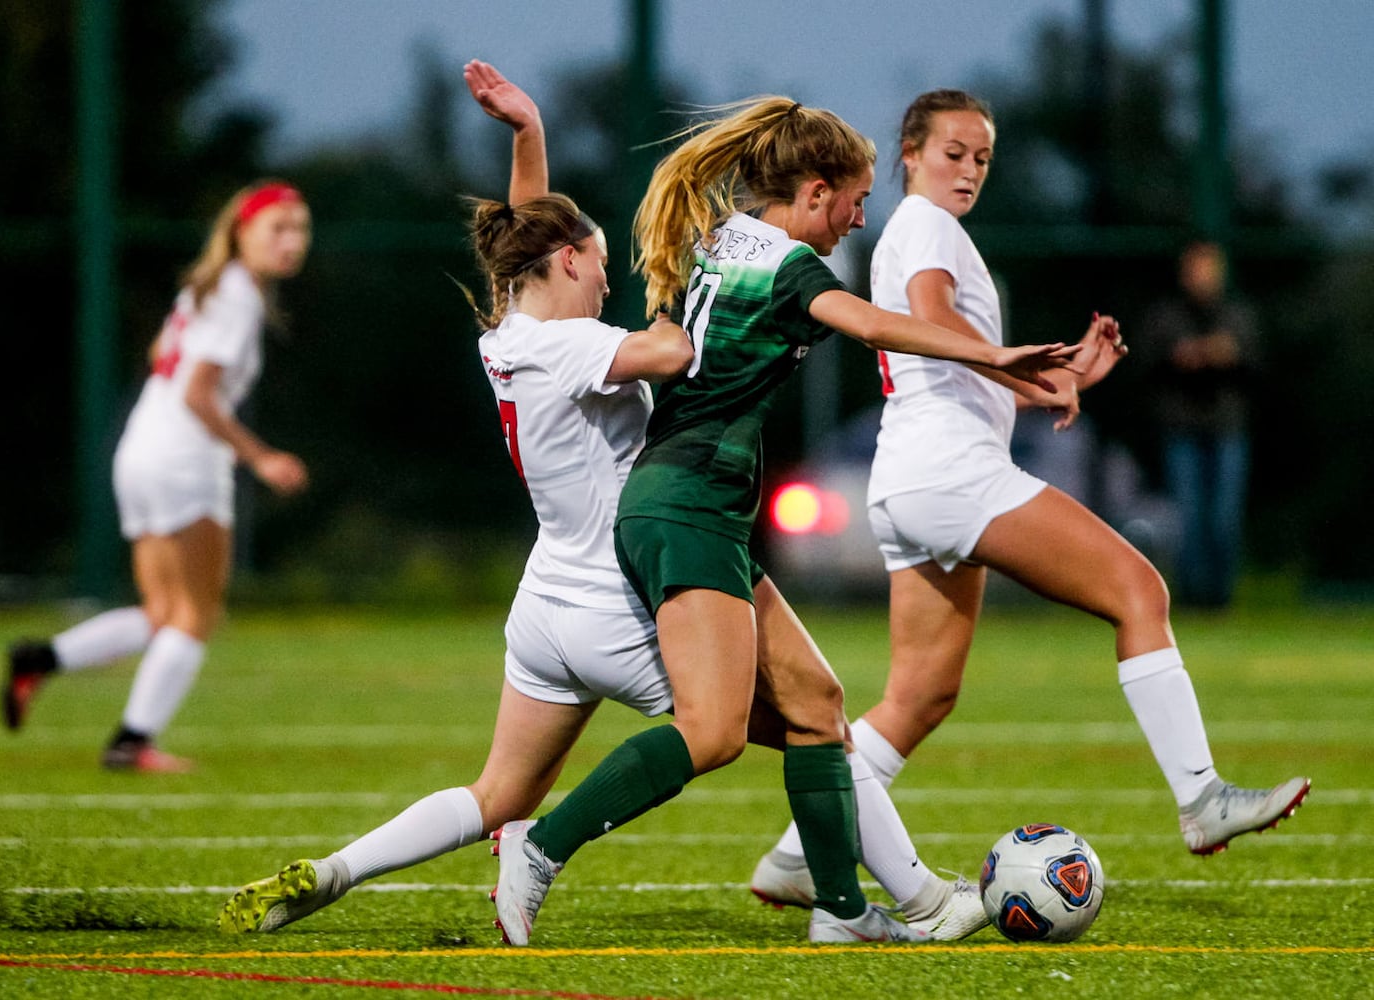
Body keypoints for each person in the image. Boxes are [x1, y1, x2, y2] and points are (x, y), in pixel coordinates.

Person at [490, 95, 1083, 946]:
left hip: (691, 504)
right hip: (688, 503)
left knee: (816, 703)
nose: (859, 218)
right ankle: (540, 849)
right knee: (711, 732)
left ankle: (843, 914)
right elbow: (874, 323)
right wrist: (993, 354)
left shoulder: (724, 233)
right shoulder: (795, 270)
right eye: (854, 199)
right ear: (812, 193)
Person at [750, 91, 1309, 910]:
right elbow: (939, 321)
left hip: (908, 478)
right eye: (953, 152)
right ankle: (1201, 799)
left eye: (981, 157)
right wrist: (1025, 369)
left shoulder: (911, 233)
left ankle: (800, 854)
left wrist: (1059, 378)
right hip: (951, 472)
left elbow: (955, 370)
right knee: (1139, 590)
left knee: (919, 696)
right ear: (909, 153)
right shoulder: (929, 228)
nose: (969, 169)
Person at [215, 60, 693, 934]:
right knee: (801, 721)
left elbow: (529, 239)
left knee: (495, 792)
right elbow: (671, 356)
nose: (605, 276)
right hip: (615, 604)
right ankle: (884, 900)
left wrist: (527, 132)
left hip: (546, 600)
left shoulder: (513, 332)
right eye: (596, 260)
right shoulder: (574, 345)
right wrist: (701, 285)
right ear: (569, 258)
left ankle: (335, 871)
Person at [2, 180, 312, 772]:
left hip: (141, 450)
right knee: (196, 615)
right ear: (240, 231)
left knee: (162, 613)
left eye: (300, 228)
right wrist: (260, 457)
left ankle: (39, 658)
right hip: (184, 460)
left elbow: (160, 361)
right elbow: (198, 395)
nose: (292, 241)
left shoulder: (205, 289)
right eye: (279, 227)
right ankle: (131, 742)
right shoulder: (238, 296)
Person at [1141, 240, 1259, 609]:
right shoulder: (1166, 317)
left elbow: (1258, 366)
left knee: (1224, 517)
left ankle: (1220, 600)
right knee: (1189, 518)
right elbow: (1146, 365)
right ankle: (1191, 599)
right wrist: (1180, 357)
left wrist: (1228, 355)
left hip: (1227, 429)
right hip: (1181, 428)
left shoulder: (1237, 315)